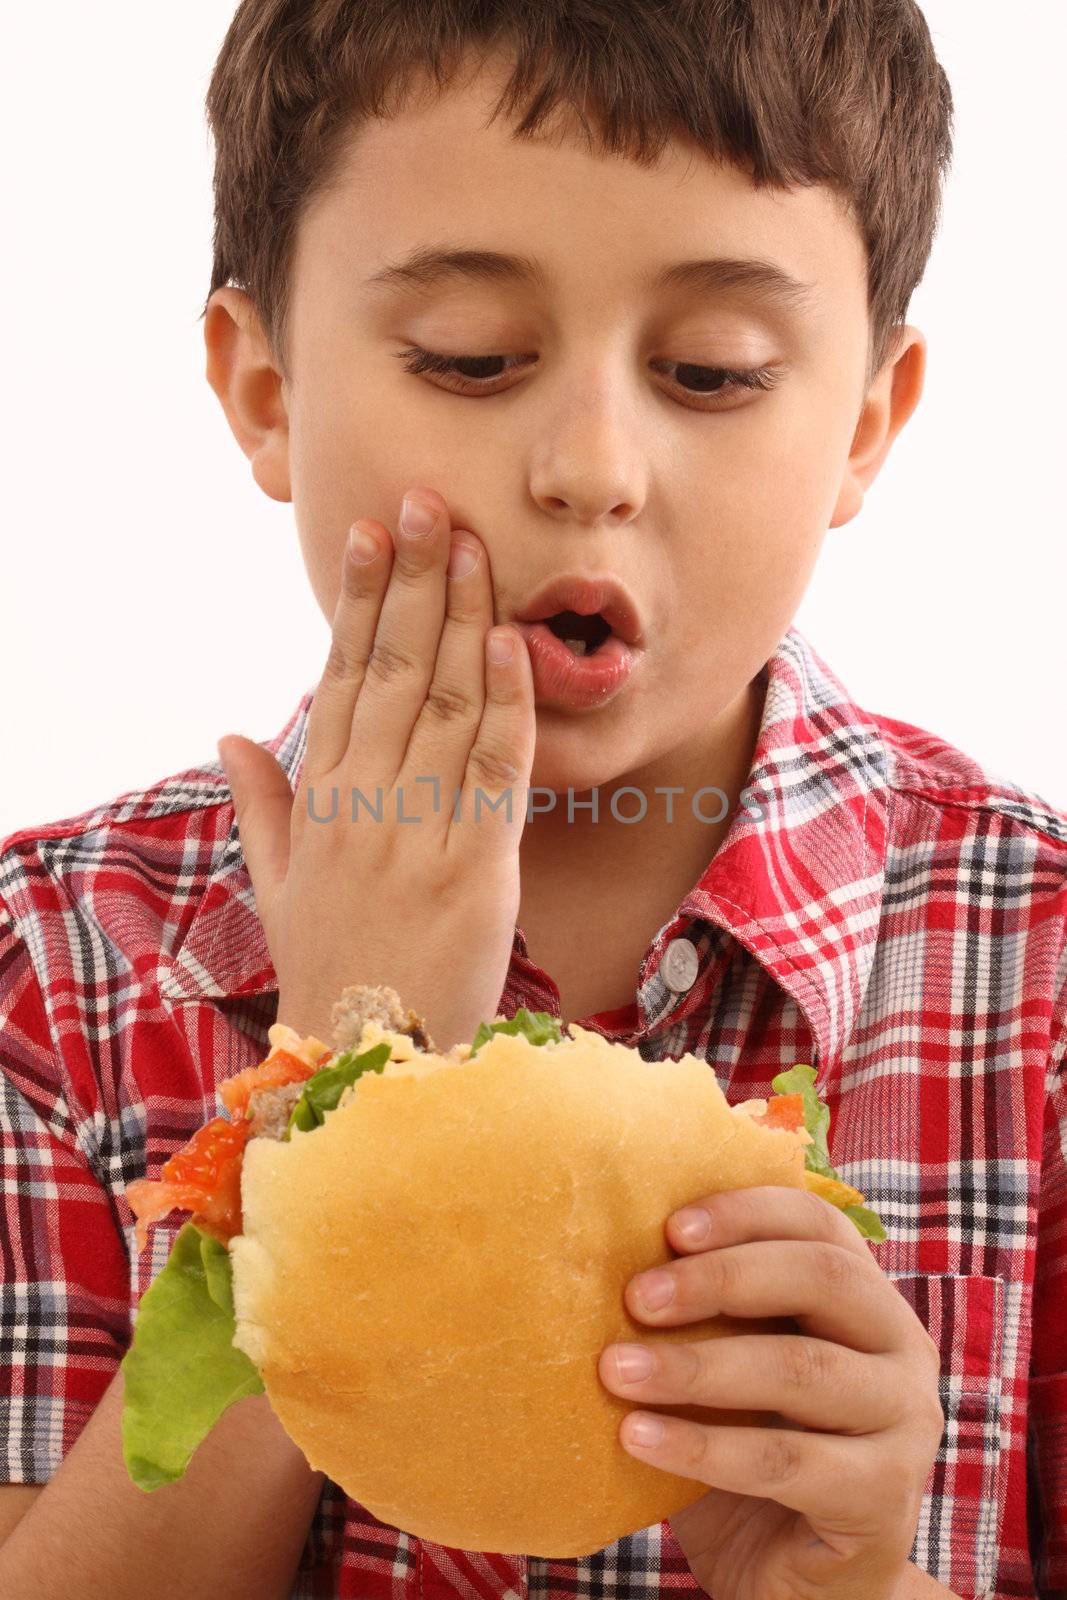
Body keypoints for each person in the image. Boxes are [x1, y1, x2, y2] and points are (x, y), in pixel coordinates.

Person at [0, 2, 1063, 1597]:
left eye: (712, 371)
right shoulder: (58, 967)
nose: (590, 464)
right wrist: (334, 1090)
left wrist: (845, 1582)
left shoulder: (1036, 976)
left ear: (863, 423)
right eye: (472, 360)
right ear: (266, 389)